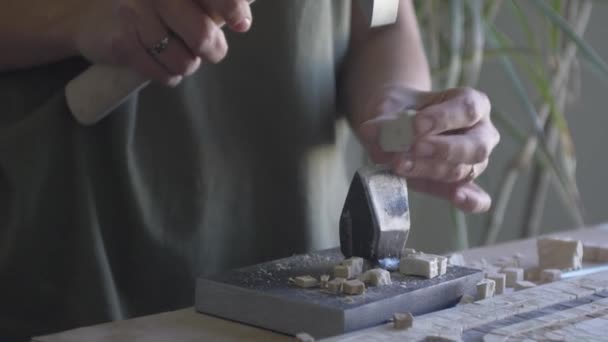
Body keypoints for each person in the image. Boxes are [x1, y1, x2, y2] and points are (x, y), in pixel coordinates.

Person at [0, 0, 499, 340]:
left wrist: (398, 110)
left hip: (304, 279)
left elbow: (383, 17)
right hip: (72, 255)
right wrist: (75, 12)